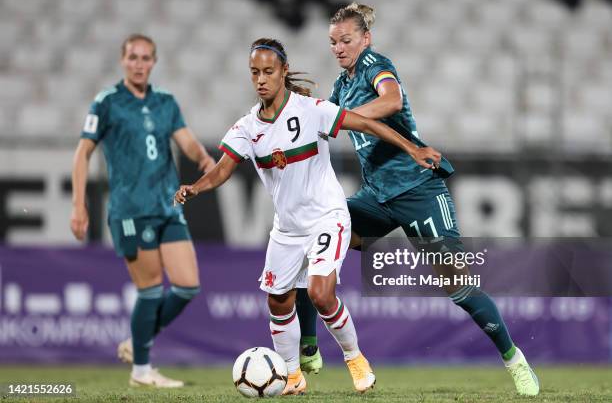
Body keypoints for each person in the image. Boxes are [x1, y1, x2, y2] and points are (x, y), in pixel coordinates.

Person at [294, 3, 540, 397]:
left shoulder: (377, 65)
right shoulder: (341, 86)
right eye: (332, 42)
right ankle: (308, 346)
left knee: (458, 285)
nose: (338, 48)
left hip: (419, 191)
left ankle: (514, 359)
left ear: (365, 38)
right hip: (376, 197)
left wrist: (344, 117)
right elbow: (325, 127)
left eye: (346, 40)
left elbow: (390, 102)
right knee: (313, 250)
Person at [174, 37, 441, 395]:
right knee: (278, 301)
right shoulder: (247, 128)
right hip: (287, 229)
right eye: (255, 72)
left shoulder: (312, 109)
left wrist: (412, 148)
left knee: (319, 293)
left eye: (268, 71)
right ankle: (292, 376)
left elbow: (365, 124)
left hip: (327, 217)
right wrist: (196, 186)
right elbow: (222, 170)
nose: (261, 79)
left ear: (284, 71)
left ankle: (355, 358)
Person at [70, 34, 216, 388]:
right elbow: (82, 153)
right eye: (133, 57)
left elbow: (186, 141)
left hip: (168, 205)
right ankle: (141, 370)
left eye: (146, 58)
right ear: (123, 60)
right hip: (131, 211)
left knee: (187, 286)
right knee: (150, 289)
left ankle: (136, 344)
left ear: (153, 62)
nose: (139, 64)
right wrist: (79, 205)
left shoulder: (165, 101)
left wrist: (203, 158)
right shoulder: (107, 102)